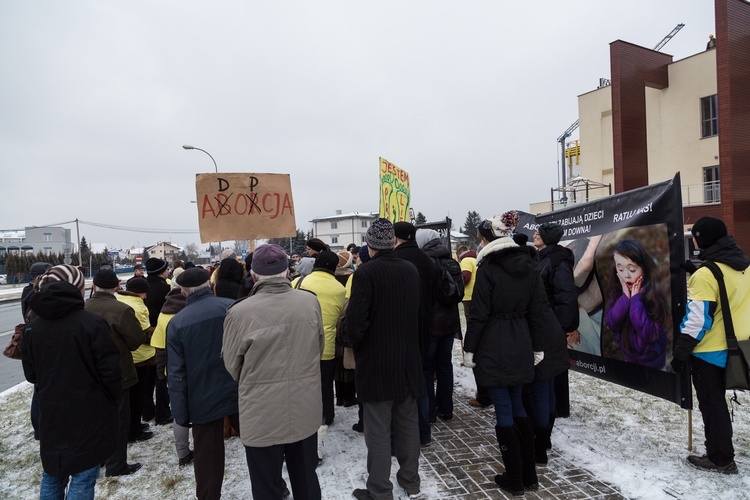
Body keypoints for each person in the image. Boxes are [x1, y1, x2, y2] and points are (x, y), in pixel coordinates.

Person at [223, 244, 324, 500]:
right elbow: (318, 347)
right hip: (304, 406)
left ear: (254, 275)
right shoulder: (310, 302)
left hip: (261, 412)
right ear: (287, 273)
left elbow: (232, 365)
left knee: (266, 486)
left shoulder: (239, 313)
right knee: (306, 480)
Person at [463, 211, 546, 496]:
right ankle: (528, 475)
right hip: (521, 339)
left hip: (495, 342)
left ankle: (515, 478)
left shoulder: (487, 268)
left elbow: (479, 314)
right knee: (518, 404)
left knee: (504, 407)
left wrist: (469, 348)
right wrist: (537, 346)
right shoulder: (530, 265)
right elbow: (538, 312)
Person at [22, 265, 121, 498]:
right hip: (88, 411)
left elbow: (31, 374)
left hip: (51, 410)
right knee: (84, 475)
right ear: (78, 289)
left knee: (53, 472)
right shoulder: (92, 324)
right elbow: (111, 374)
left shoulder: (33, 327)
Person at [345, 218, 423, 500]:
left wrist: (347, 335)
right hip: (408, 360)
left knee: (377, 430)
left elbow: (355, 323)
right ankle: (410, 481)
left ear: (369, 245)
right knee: (407, 424)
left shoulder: (366, 273)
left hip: (377, 363)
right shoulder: (410, 270)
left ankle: (379, 490)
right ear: (392, 241)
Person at [672, 216, 749, 474]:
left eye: (695, 236)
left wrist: (681, 351)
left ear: (701, 239)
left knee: (712, 405)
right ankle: (722, 454)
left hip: (709, 352)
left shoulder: (706, 275)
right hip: (741, 348)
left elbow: (698, 320)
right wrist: (696, 271)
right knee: (718, 404)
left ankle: (720, 458)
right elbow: (729, 292)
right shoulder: (744, 265)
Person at [167, 268, 239, 500]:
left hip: (202, 397)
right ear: (210, 284)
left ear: (184, 293)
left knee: (207, 456)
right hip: (239, 388)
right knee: (258, 445)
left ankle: (208, 496)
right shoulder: (232, 307)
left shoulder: (177, 323)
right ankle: (275, 485)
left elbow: (176, 374)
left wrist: (180, 413)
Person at [85, 269, 149, 476]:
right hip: (118, 371)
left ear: (94, 286)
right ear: (116, 287)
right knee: (119, 419)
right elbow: (135, 340)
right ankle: (116, 464)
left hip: (89, 373)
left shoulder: (83, 308)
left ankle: (99, 459)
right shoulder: (121, 310)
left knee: (95, 418)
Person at [291, 250, 345, 464]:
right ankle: (326, 415)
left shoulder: (297, 282)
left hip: (300, 345)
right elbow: (341, 315)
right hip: (327, 346)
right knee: (325, 384)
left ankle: (303, 418)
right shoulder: (339, 288)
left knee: (302, 385)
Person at [530, 222, 578, 463]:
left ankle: (542, 439)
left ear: (549, 238)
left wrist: (562, 327)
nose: (534, 234)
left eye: (539, 232)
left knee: (544, 383)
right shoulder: (544, 257)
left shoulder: (557, 261)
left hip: (550, 328)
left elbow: (566, 296)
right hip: (545, 326)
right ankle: (544, 437)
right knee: (545, 383)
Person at [393, 221, 439, 447]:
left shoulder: (397, 261)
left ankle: (403, 434)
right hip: (425, 327)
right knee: (420, 378)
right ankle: (423, 432)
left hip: (401, 329)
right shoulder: (427, 261)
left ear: (395, 238)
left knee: (403, 384)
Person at [415, 228, 461, 422]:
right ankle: (446, 408)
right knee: (445, 365)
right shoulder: (452, 262)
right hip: (449, 323)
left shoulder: (424, 263)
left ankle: (429, 411)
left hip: (431, 323)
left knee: (426, 368)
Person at [604, 239, 669, 369]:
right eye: (620, 269)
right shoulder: (618, 291)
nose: (626, 275)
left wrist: (635, 300)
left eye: (632, 270)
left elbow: (649, 334)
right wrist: (625, 299)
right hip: (629, 358)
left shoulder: (653, 293)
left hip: (654, 363)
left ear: (644, 268)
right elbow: (611, 323)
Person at [150, 285, 194, 467]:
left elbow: (159, 347)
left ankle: (183, 453)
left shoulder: (163, 314)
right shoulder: (191, 314)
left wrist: (162, 372)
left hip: (172, 371)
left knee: (179, 412)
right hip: (194, 369)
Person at [143, 257, 173, 424]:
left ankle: (147, 410)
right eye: (166, 269)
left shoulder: (143, 285)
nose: (168, 271)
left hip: (145, 335)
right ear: (162, 271)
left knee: (148, 376)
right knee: (161, 375)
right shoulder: (164, 288)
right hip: (160, 334)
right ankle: (163, 411)